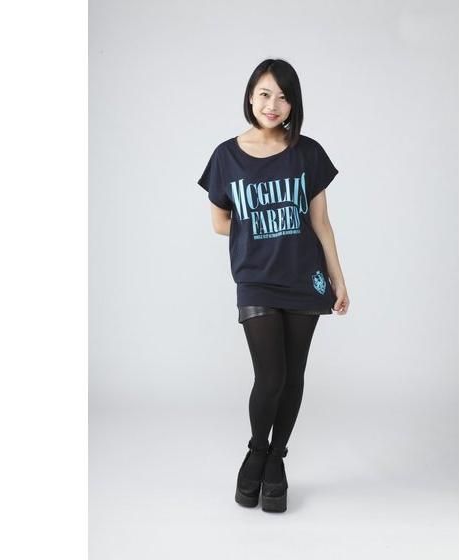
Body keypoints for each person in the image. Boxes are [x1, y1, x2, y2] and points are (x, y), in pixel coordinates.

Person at [197, 58, 349, 512]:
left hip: (305, 278)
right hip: (256, 279)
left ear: (293, 104)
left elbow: (321, 223)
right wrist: (261, 229)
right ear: (250, 96)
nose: (273, 104)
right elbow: (220, 223)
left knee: (294, 375)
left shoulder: (308, 153)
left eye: (283, 97)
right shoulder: (226, 156)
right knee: (271, 376)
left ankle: (276, 459)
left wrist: (339, 280)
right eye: (265, 94)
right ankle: (256, 451)